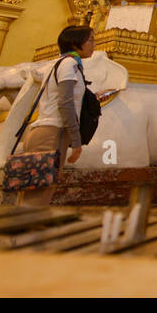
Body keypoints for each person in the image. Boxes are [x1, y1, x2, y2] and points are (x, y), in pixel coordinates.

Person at [18, 25, 94, 206]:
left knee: (34, 193)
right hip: (52, 133)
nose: (94, 44)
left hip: (46, 131)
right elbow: (65, 104)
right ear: (76, 43)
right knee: (37, 196)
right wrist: (76, 140)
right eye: (90, 40)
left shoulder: (58, 63)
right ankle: (26, 233)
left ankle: (22, 232)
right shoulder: (69, 64)